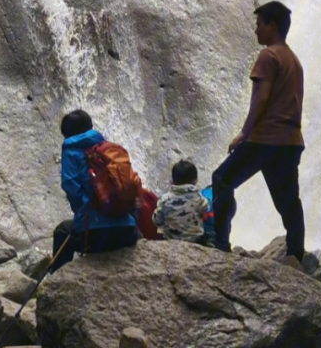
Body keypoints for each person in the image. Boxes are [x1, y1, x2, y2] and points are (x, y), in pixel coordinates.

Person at [211, 0, 305, 261]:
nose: (256, 30)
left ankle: (219, 243)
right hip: (290, 141)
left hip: (266, 138)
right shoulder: (294, 60)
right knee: (289, 201)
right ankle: (296, 253)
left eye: (259, 24)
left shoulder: (268, 55)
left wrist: (244, 132)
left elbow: (261, 98)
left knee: (222, 179)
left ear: (272, 26)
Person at [52, 108, 139, 267]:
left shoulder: (71, 151)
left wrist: (83, 210)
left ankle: (56, 282)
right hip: (127, 232)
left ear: (66, 132)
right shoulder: (109, 149)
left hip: (95, 236)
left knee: (62, 231)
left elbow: (70, 185)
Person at [153, 159, 210, 242]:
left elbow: (157, 221)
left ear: (171, 182)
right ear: (195, 182)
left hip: (171, 240)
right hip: (195, 240)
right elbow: (207, 207)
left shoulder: (164, 200)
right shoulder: (199, 198)